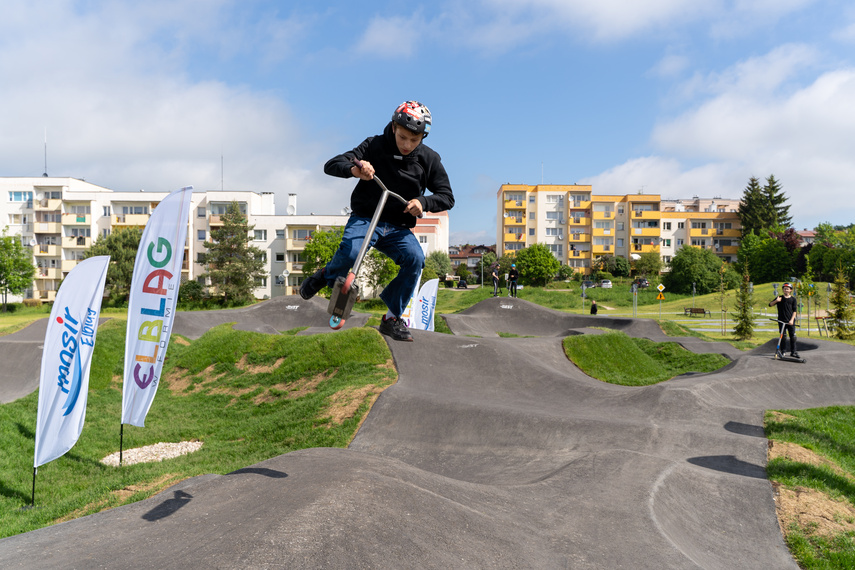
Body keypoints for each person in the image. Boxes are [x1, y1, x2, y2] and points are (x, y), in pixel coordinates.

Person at [300, 101, 455, 342]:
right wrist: (355, 169)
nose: (407, 145)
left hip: (399, 228)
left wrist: (423, 203)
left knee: (415, 260)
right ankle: (326, 275)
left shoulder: (429, 159)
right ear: (394, 127)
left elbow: (446, 197)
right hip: (366, 218)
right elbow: (331, 165)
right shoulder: (373, 145)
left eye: (414, 140)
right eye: (403, 137)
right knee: (351, 253)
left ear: (422, 137)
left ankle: (391, 318)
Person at [769, 282, 798, 357]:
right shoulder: (779, 298)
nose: (786, 290)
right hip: (782, 320)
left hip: (790, 321)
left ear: (790, 290)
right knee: (783, 336)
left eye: (787, 289)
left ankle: (793, 352)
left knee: (793, 336)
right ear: (783, 290)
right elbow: (770, 304)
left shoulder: (793, 299)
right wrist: (776, 301)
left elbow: (794, 311)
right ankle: (783, 351)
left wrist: (792, 320)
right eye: (785, 289)